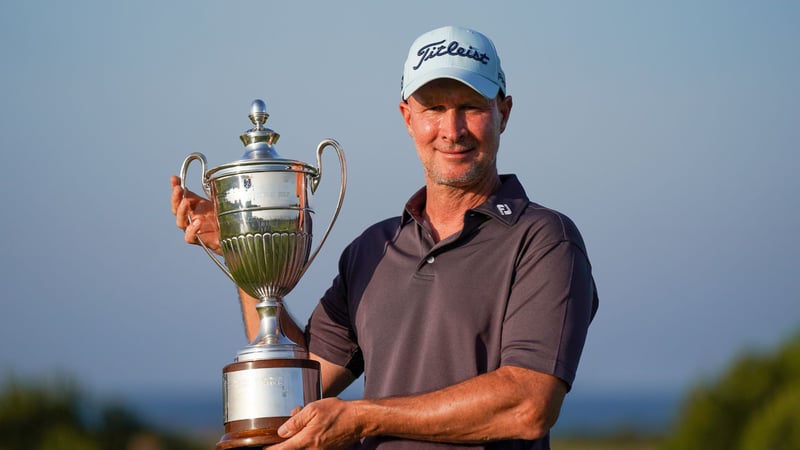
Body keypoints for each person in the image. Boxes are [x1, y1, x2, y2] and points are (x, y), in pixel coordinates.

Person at [171, 25, 598, 450]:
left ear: (502, 114)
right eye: (433, 108)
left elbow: (528, 405)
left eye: (470, 106)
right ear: (407, 118)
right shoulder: (372, 250)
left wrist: (360, 418)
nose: (452, 129)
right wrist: (243, 249)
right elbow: (303, 381)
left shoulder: (545, 241)